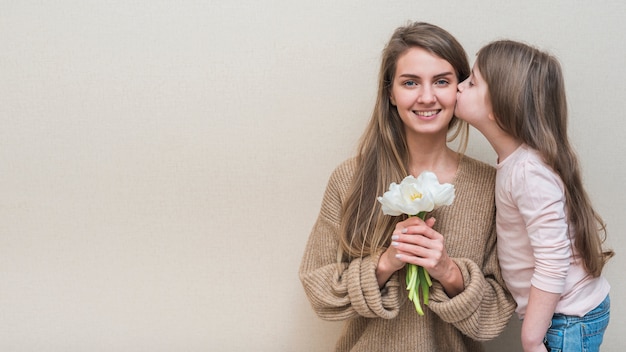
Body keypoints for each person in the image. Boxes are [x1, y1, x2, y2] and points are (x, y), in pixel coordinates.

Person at [299, 22, 516, 352]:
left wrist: (448, 271)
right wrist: (384, 265)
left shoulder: (491, 187)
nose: (426, 97)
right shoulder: (350, 179)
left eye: (441, 81)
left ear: (459, 88)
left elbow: (497, 314)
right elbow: (319, 289)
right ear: (390, 92)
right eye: (410, 82)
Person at [455, 40, 614, 352]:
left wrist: (530, 339)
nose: (460, 87)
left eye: (471, 82)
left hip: (567, 321)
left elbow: (553, 261)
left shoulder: (528, 173)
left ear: (499, 107)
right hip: (564, 316)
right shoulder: (519, 164)